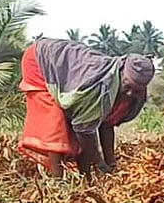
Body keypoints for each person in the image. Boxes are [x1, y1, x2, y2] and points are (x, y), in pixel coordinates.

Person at [18, 38, 155, 177]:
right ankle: (57, 180)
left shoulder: (127, 95)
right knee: (56, 123)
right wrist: (100, 164)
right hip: (40, 61)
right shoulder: (98, 86)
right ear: (120, 74)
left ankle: (86, 178)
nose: (130, 93)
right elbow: (83, 131)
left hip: (62, 67)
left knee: (82, 132)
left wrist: (111, 164)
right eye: (127, 86)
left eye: (136, 90)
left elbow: (107, 124)